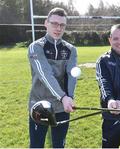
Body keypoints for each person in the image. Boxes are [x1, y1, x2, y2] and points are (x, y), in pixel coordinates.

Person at [27, 7, 77, 148]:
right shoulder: (35, 47)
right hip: (39, 106)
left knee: (59, 145)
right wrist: (63, 96)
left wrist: (70, 97)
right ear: (46, 23)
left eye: (62, 25)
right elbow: (45, 74)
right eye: (54, 23)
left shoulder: (70, 49)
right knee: (36, 145)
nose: (58, 28)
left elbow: (71, 75)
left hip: (61, 107)